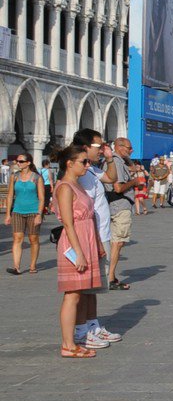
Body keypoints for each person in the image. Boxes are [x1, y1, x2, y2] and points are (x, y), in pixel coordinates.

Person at [51, 145, 101, 358]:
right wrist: (78, 252)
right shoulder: (65, 188)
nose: (87, 165)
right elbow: (69, 224)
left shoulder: (77, 184)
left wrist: (96, 243)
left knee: (79, 293)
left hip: (86, 239)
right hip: (74, 242)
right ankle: (68, 344)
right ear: (69, 163)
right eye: (83, 161)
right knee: (71, 294)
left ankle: (73, 341)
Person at [72, 129, 117, 347]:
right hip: (91, 235)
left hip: (101, 233)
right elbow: (84, 211)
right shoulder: (78, 176)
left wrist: (109, 158)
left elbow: (111, 178)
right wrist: (96, 241)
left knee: (93, 286)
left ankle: (92, 325)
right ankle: (81, 330)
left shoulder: (91, 171)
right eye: (98, 146)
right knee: (83, 287)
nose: (101, 149)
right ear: (85, 147)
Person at [103, 137, 136, 290]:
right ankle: (110, 277)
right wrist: (134, 183)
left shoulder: (117, 161)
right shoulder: (116, 162)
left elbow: (133, 167)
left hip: (112, 205)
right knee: (117, 242)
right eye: (129, 148)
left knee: (115, 242)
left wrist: (128, 158)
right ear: (120, 147)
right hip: (120, 205)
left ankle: (109, 275)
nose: (131, 151)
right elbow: (118, 188)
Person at [5, 152, 43, 275]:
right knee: (17, 238)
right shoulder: (14, 176)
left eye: (21, 161)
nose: (18, 163)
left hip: (33, 211)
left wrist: (39, 214)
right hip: (17, 211)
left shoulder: (37, 177)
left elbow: (42, 198)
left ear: (28, 163)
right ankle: (16, 267)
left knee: (33, 239)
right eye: (17, 161)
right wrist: (7, 214)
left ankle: (32, 265)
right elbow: (10, 195)